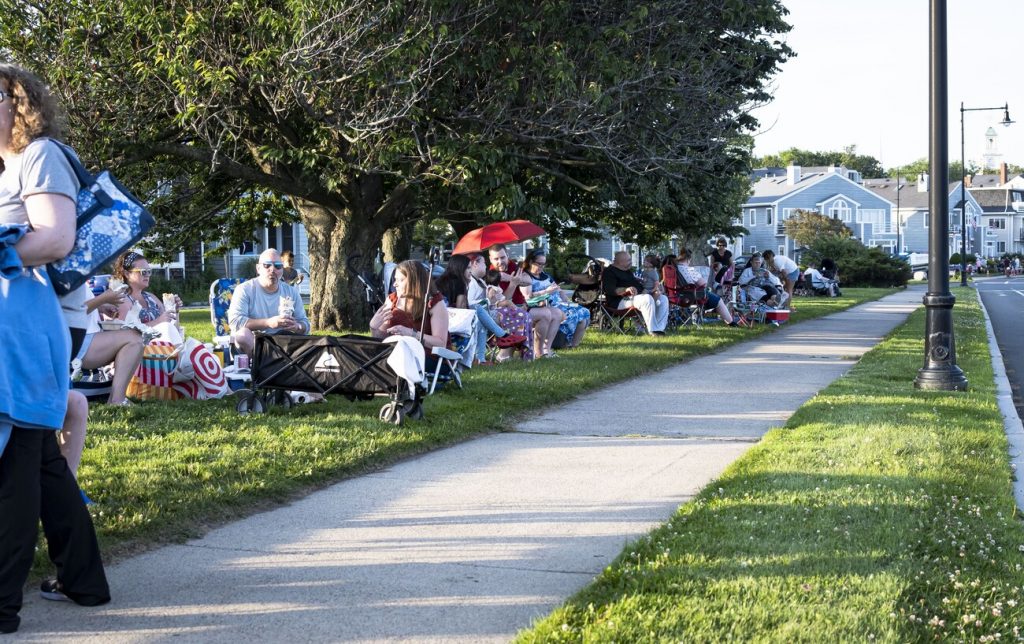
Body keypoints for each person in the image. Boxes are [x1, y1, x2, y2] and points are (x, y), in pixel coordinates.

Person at [0, 62, 110, 635]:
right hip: (12, 325)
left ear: (15, 100)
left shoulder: (39, 155)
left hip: (20, 329)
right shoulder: (7, 167)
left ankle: (1, 608)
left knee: (14, 464)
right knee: (40, 460)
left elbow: (58, 236)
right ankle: (83, 580)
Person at [228, 248, 311, 358]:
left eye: (277, 266)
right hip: (254, 342)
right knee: (243, 335)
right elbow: (235, 322)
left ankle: (281, 365)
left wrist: (297, 327)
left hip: (283, 343)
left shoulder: (291, 292)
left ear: (282, 269)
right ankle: (261, 365)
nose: (272, 269)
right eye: (267, 265)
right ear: (258, 268)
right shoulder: (244, 289)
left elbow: (305, 324)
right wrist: (268, 323)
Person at [369, 260, 450, 367]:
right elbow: (381, 339)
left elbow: (440, 343)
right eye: (395, 279)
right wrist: (374, 327)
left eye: (400, 280)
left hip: (427, 357)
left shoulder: (434, 303)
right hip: (396, 354)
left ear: (415, 282)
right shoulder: (391, 300)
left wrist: (411, 333)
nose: (395, 284)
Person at [74, 287, 145, 405]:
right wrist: (103, 299)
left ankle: (115, 399)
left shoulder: (69, 274)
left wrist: (101, 307)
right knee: (134, 340)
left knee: (136, 337)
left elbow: (79, 305)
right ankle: (117, 400)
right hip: (77, 343)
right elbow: (73, 312)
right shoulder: (65, 275)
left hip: (81, 339)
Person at [489, 244, 560, 358]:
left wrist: (510, 278)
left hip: (520, 306)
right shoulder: (491, 274)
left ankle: (541, 351)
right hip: (503, 311)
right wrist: (513, 283)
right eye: (496, 259)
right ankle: (508, 354)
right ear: (490, 259)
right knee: (540, 314)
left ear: (507, 256)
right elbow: (504, 300)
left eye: (502, 257)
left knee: (550, 313)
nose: (500, 261)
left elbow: (528, 280)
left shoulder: (512, 266)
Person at [521, 249, 590, 348]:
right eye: (539, 264)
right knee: (574, 314)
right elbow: (528, 296)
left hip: (559, 303)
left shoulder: (544, 275)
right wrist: (546, 291)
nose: (542, 267)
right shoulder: (526, 277)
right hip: (546, 305)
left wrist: (565, 299)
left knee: (584, 311)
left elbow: (558, 289)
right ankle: (563, 342)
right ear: (531, 262)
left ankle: (574, 344)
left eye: (544, 264)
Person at [601, 250, 669, 335]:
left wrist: (654, 287)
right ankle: (653, 330)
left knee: (663, 299)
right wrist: (626, 290)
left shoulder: (627, 271)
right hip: (620, 301)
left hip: (636, 297)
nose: (631, 262)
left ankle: (659, 329)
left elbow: (638, 284)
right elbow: (610, 289)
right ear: (621, 262)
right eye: (629, 260)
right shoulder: (609, 272)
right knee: (646, 298)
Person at [112, 250, 183, 326]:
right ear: (127, 274)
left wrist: (174, 310)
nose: (147, 275)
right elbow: (124, 331)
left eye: (149, 271)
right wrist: (158, 322)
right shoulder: (122, 300)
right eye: (143, 271)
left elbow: (173, 328)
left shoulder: (151, 298)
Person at [675, 249, 738, 326]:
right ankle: (731, 323)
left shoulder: (675, 268)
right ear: (689, 259)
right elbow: (703, 284)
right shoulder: (689, 270)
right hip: (694, 296)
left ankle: (696, 319)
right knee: (718, 300)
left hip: (679, 297)